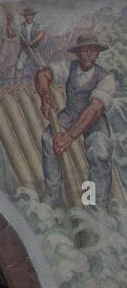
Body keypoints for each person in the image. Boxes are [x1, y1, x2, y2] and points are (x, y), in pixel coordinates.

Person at [35, 32, 116, 210]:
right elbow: (43, 75)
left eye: (91, 50)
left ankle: (96, 204)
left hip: (94, 120)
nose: (87, 54)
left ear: (97, 53)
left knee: (99, 151)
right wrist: (45, 97)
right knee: (48, 139)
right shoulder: (69, 67)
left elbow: (94, 109)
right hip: (70, 114)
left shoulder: (106, 78)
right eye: (83, 50)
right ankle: (53, 195)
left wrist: (69, 137)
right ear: (77, 53)